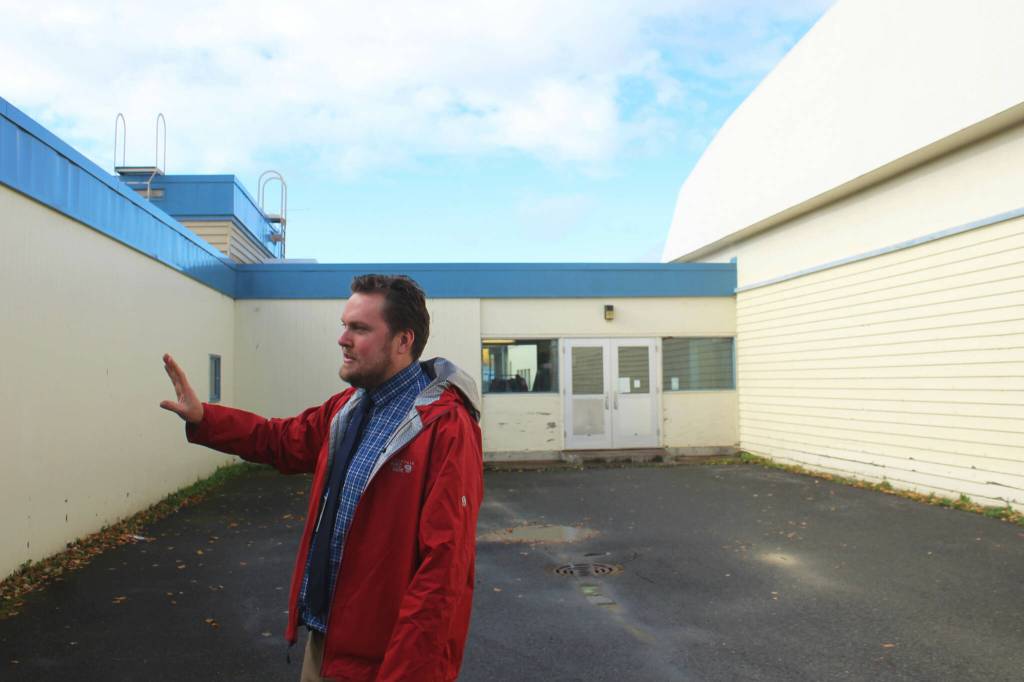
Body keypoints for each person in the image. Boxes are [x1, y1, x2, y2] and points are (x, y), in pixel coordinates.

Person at [160, 274, 483, 682]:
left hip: (387, 661)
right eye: (344, 325)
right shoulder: (349, 407)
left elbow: (443, 575)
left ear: (404, 341)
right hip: (327, 644)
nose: (342, 339)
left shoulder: (445, 427)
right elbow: (280, 439)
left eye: (360, 328)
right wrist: (205, 418)